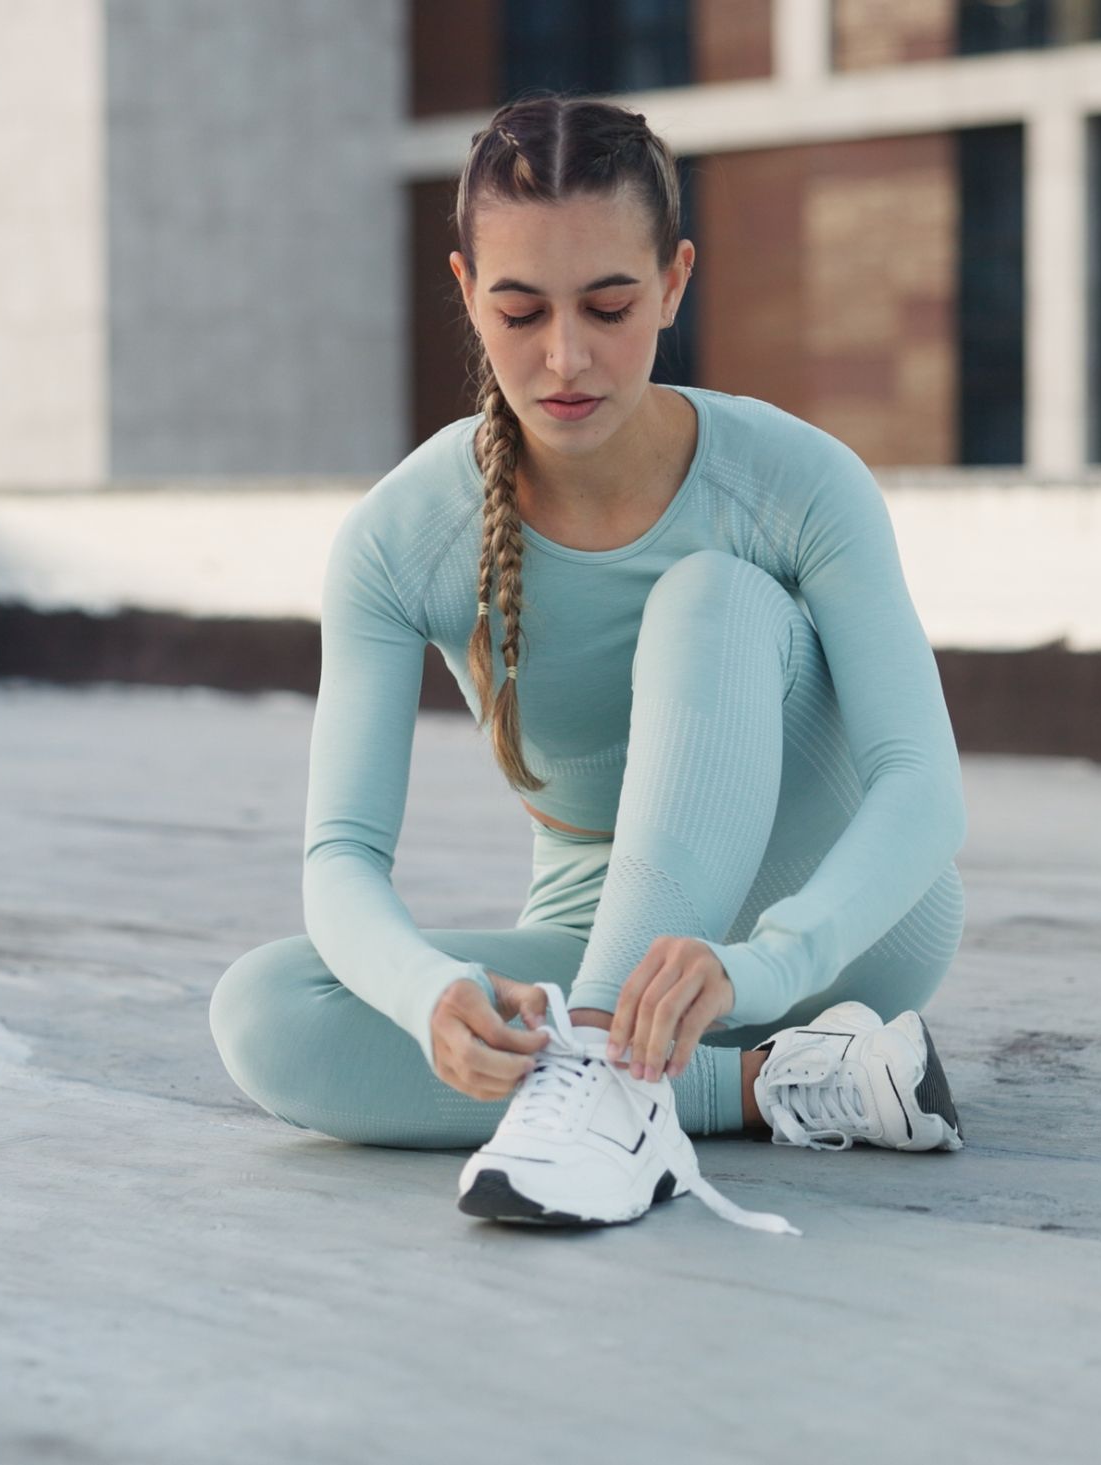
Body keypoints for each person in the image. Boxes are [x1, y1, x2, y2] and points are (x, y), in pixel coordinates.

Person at [207, 94, 968, 1234]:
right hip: (610, 936)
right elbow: (341, 859)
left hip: (830, 933)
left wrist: (760, 968)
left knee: (708, 594)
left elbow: (923, 788)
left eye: (610, 306)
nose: (567, 357)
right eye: (520, 312)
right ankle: (777, 1085)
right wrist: (431, 999)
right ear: (466, 293)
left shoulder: (796, 480)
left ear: (673, 282)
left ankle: (605, 1081)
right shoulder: (399, 539)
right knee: (267, 1009)